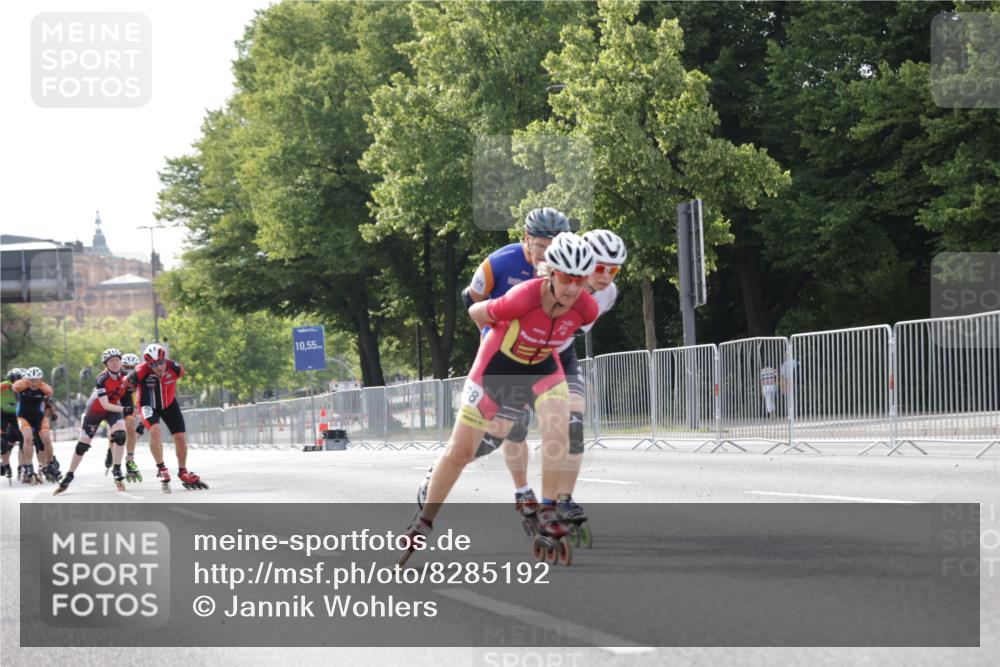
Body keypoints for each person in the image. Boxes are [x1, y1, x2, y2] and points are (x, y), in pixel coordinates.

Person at [402, 233, 598, 564]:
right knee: (459, 453)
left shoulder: (586, 309)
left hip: (542, 367)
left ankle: (548, 509)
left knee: (559, 424)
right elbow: (477, 311)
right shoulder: (522, 297)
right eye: (565, 278)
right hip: (498, 367)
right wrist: (492, 337)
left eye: (580, 280)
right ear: (549, 273)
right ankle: (424, 522)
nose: (572, 289)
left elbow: (566, 334)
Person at [416, 207, 570, 505]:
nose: (547, 255)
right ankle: (441, 469)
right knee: (496, 433)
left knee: (516, 429)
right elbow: (470, 298)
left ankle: (526, 492)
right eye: (541, 247)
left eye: (554, 248)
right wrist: (488, 335)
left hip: (534, 359)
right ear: (526, 239)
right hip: (499, 358)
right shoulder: (500, 262)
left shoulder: (565, 270)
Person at [127, 343, 207, 491]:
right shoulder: (139, 371)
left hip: (169, 404)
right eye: (155, 364)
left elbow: (181, 373)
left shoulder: (175, 368)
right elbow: (126, 383)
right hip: (148, 405)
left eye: (162, 362)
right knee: (155, 431)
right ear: (148, 363)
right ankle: (161, 467)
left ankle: (183, 471)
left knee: (180, 437)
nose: (160, 367)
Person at [55, 349, 130, 495]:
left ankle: (117, 469)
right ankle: (69, 475)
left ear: (121, 361)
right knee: (83, 445)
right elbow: (106, 405)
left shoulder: (126, 376)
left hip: (113, 408)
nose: (114, 363)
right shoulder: (101, 379)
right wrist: (126, 409)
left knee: (120, 435)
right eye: (111, 361)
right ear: (106, 364)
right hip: (96, 410)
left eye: (117, 360)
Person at [104, 353, 143, 482]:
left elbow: (143, 399)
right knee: (115, 431)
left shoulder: (139, 377)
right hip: (113, 403)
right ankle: (111, 451)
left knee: (131, 425)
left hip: (127, 404)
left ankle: (130, 460)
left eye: (134, 367)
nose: (130, 370)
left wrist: (143, 422)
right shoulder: (111, 374)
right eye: (127, 366)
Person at [12, 367, 55, 485]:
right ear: (27, 379)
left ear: (40, 379)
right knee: (28, 438)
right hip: (23, 416)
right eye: (31, 380)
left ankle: (50, 464)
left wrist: (52, 411)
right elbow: (14, 391)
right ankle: (29, 466)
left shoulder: (46, 389)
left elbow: (49, 402)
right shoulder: (19, 385)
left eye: (36, 380)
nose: (33, 383)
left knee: (46, 439)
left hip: (38, 418)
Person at [1, 368, 24, 483]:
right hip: (3, 415)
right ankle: (6, 466)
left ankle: (22, 467)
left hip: (16, 417)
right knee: (3, 442)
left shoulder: (24, 388)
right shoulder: (4, 386)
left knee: (23, 440)